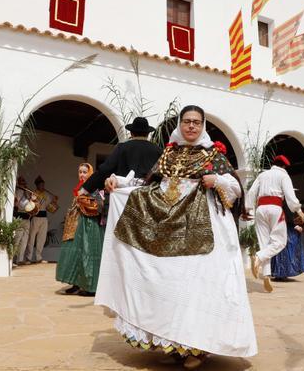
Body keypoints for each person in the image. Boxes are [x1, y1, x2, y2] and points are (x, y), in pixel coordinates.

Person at [95, 105, 257, 369]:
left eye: (196, 122)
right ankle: (174, 340)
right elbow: (150, 185)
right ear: (179, 125)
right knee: (170, 286)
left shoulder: (212, 155)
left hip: (203, 229)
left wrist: (216, 180)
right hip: (167, 226)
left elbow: (235, 189)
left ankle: (197, 348)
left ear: (203, 126)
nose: (191, 126)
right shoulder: (168, 153)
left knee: (198, 288)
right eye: (186, 122)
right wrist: (119, 183)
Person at [245, 154, 303, 292]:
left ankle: (266, 275)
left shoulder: (262, 175)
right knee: (280, 242)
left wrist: (248, 208)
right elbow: (290, 196)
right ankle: (258, 257)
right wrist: (298, 210)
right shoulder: (283, 176)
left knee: (265, 243)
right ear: (283, 166)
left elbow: (252, 191)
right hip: (275, 209)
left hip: (260, 209)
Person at [56, 163, 105, 296]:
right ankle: (76, 283)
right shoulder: (79, 188)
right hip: (77, 225)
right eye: (80, 172)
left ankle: (90, 287)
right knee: (76, 254)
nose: (82, 175)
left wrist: (86, 202)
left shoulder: (95, 187)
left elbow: (101, 206)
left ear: (90, 173)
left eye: (84, 172)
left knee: (88, 253)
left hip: (90, 225)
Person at [80, 116, 161, 194]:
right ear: (147, 134)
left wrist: (85, 189)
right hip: (149, 196)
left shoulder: (122, 147)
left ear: (131, 133)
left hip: (123, 195)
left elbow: (104, 170)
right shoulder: (157, 150)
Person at [25, 176, 56, 264]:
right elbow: (30, 204)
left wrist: (54, 200)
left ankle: (39, 257)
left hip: (44, 218)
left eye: (43, 184)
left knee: (41, 238)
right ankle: (28, 257)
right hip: (35, 217)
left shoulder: (46, 194)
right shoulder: (34, 193)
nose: (43, 186)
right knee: (32, 237)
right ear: (37, 185)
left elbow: (50, 206)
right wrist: (33, 198)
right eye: (41, 184)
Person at [12, 176, 34, 265]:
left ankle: (20, 259)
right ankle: (13, 259)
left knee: (25, 240)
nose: (24, 184)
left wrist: (32, 199)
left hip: (27, 217)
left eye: (25, 182)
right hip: (19, 217)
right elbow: (16, 204)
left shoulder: (27, 193)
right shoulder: (18, 192)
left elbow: (30, 204)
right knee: (17, 238)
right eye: (22, 182)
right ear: (19, 183)